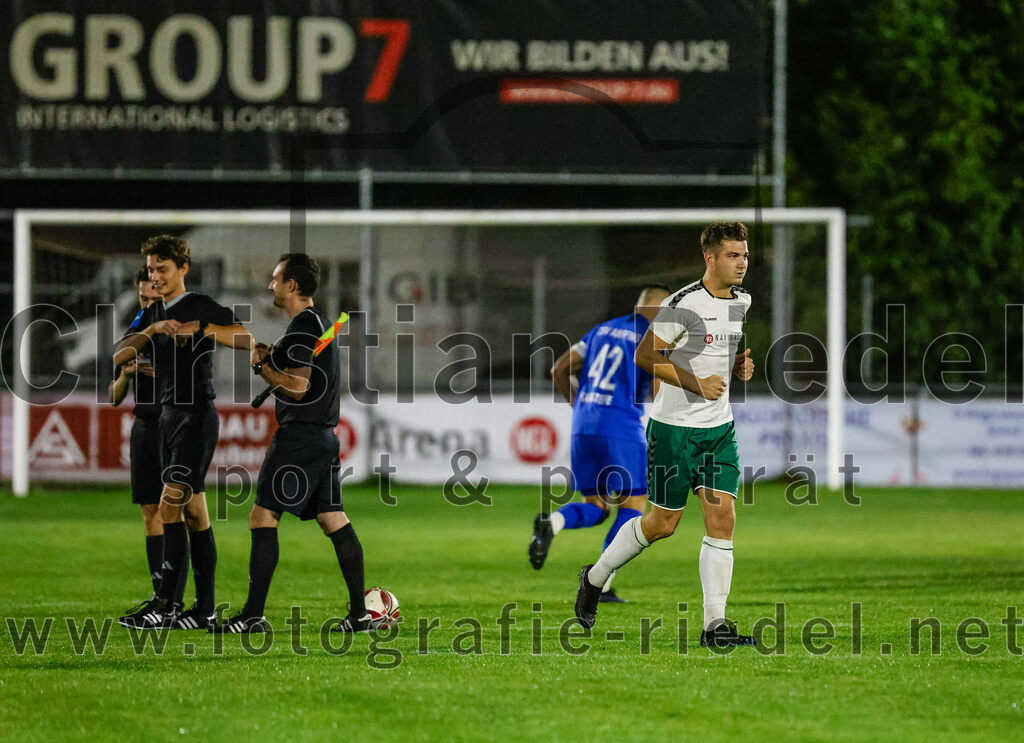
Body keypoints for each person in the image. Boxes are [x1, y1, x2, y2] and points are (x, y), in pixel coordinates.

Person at [574, 222, 757, 648]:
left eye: (745, 255)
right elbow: (645, 355)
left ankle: (716, 626)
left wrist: (735, 369)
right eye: (733, 255)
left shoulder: (743, 300)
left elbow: (717, 352)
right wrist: (697, 382)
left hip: (718, 430)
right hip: (673, 431)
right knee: (662, 524)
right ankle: (595, 577)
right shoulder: (683, 304)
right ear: (709, 258)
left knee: (722, 518)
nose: (742, 263)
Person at [211, 253, 368, 634]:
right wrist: (272, 357)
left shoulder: (303, 328)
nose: (271, 285)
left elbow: (298, 387)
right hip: (322, 438)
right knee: (333, 519)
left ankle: (252, 616)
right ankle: (360, 615)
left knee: (263, 516)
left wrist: (262, 367)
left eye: (276, 279)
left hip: (299, 439)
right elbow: (301, 373)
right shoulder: (319, 323)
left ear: (292, 286)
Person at [115, 235, 254, 630]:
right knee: (194, 513)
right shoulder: (152, 312)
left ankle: (166, 605)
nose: (155, 276)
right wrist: (155, 327)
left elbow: (245, 338)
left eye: (162, 269)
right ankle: (205, 609)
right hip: (166, 418)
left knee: (168, 506)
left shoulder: (201, 306)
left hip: (195, 418)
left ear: (182, 269)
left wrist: (205, 329)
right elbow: (119, 354)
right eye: (151, 269)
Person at [529, 285, 671, 603]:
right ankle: (601, 584)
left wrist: (579, 407)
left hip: (583, 425)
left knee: (597, 506)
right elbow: (659, 393)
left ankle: (553, 521)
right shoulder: (655, 338)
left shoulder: (601, 330)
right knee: (633, 508)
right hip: (621, 427)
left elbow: (559, 369)